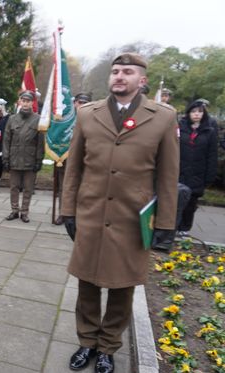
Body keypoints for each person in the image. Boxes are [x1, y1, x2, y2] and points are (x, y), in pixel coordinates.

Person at [60, 53, 178, 373]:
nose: (119, 76)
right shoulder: (87, 114)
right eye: (115, 71)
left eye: (127, 72)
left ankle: (108, 346)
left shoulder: (163, 117)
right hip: (92, 212)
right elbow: (74, 169)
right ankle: (87, 342)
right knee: (87, 282)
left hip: (132, 219)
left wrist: (166, 223)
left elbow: (168, 175)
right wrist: (68, 211)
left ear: (142, 80)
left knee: (122, 286)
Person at [176, 100, 218, 236]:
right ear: (188, 113)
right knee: (175, 201)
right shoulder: (179, 128)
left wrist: (209, 176)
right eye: (194, 112)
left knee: (190, 204)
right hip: (179, 171)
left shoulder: (209, 131)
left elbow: (212, 155)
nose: (196, 115)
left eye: (200, 112)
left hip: (197, 173)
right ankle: (172, 227)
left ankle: (184, 229)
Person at [2, 91, 44, 223]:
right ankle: (14, 210)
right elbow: (6, 140)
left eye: (28, 101)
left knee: (28, 188)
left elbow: (40, 143)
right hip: (14, 158)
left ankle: (24, 212)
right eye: (23, 100)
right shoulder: (12, 119)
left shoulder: (38, 119)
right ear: (19, 102)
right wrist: (6, 158)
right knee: (13, 187)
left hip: (30, 160)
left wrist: (38, 160)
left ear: (32, 102)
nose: (25, 103)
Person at [54, 92, 92, 225]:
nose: (81, 106)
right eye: (80, 102)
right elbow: (58, 136)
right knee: (64, 188)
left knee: (85, 189)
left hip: (86, 161)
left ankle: (80, 214)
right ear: (74, 103)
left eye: (85, 103)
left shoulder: (94, 119)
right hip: (66, 158)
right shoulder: (66, 119)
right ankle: (63, 213)